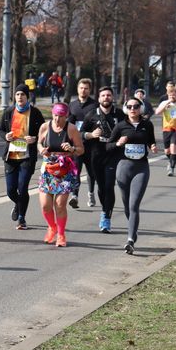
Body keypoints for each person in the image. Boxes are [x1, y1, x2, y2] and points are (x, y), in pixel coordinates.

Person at [106, 98, 158, 254]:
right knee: (127, 205)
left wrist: (153, 146)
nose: (132, 109)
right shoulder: (121, 126)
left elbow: (151, 141)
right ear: (125, 109)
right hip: (124, 168)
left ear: (140, 108)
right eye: (129, 107)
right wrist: (118, 144)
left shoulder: (147, 125)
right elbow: (108, 146)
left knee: (134, 204)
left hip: (141, 168)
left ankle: (130, 240)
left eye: (135, 106)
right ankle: (133, 230)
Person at [0, 84, 46, 229]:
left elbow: (44, 132)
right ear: (15, 97)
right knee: (11, 190)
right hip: (11, 156)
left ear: (27, 97)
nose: (20, 97)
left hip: (27, 156)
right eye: (17, 94)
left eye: (23, 95)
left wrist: (35, 138)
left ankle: (21, 219)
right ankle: (18, 205)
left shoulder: (35, 113)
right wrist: (5, 136)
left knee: (22, 187)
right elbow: (0, 130)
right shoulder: (9, 112)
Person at [36, 103, 84, 247]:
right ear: (52, 114)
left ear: (66, 116)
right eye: (55, 115)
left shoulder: (71, 129)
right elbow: (39, 143)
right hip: (48, 169)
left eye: (61, 116)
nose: (58, 119)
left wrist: (72, 148)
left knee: (60, 204)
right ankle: (52, 227)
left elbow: (81, 150)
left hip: (64, 170)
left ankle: (61, 235)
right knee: (45, 205)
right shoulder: (45, 127)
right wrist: (41, 150)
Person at [82, 86, 125, 233]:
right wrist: (91, 134)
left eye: (108, 95)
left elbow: (128, 129)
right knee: (101, 188)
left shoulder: (119, 114)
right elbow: (80, 133)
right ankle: (104, 209)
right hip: (96, 155)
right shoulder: (91, 115)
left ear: (112, 97)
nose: (106, 97)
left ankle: (106, 217)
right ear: (99, 98)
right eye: (103, 95)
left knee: (109, 186)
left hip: (114, 155)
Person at [67, 78, 98, 209]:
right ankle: (75, 195)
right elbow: (68, 124)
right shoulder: (72, 105)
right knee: (75, 172)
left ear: (89, 90)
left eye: (86, 88)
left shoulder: (95, 105)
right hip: (76, 145)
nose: (83, 90)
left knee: (91, 173)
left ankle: (91, 193)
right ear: (77, 89)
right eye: (81, 88)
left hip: (91, 145)